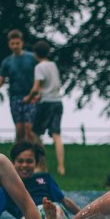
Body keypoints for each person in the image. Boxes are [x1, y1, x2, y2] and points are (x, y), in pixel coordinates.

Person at [0, 141, 80, 219]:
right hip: (27, 216)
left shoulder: (45, 178)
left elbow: (64, 200)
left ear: (36, 163)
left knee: (56, 209)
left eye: (29, 161)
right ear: (13, 163)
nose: (25, 165)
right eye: (20, 161)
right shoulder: (7, 187)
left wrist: (82, 214)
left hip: (47, 208)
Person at [0, 29, 38, 143]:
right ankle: (18, 158)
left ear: (22, 43)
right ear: (9, 44)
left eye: (17, 43)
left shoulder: (32, 58)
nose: (15, 46)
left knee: (29, 130)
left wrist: (39, 92)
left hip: (31, 96)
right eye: (12, 44)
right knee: (19, 131)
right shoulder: (7, 62)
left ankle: (37, 157)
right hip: (15, 97)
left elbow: (41, 76)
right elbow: (1, 79)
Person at [24, 40, 66, 175]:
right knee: (56, 135)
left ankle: (42, 165)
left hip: (46, 103)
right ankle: (61, 167)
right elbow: (53, 85)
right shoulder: (53, 65)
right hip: (57, 101)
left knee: (35, 133)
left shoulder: (39, 67)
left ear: (36, 54)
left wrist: (29, 98)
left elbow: (36, 87)